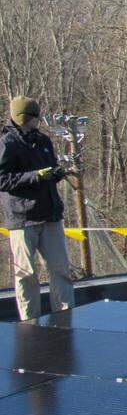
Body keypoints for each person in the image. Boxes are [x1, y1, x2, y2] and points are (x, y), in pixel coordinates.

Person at [0, 96, 75, 320]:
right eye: (33, 117)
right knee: (26, 274)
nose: (37, 121)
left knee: (60, 270)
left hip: (50, 214)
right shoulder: (7, 144)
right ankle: (29, 322)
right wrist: (35, 176)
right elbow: (3, 180)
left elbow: (48, 172)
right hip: (23, 219)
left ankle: (65, 317)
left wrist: (55, 174)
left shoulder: (43, 141)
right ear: (22, 118)